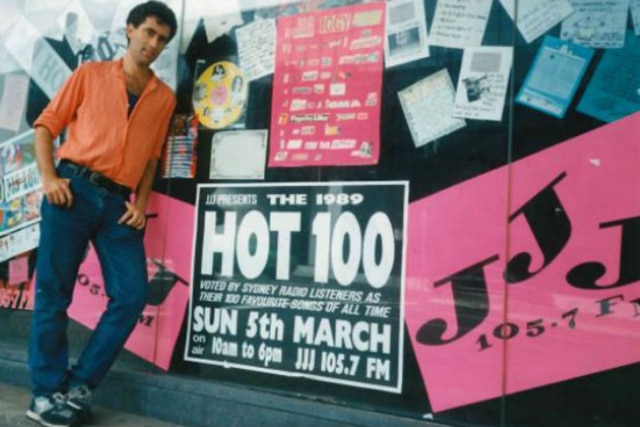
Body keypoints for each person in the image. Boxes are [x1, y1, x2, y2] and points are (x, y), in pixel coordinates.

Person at [26, 2, 177, 427]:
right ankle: (44, 395)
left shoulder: (163, 97)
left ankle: (78, 386)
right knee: (54, 295)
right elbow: (46, 124)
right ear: (130, 30)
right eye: (148, 32)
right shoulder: (89, 75)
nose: (153, 43)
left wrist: (141, 203)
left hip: (117, 205)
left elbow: (151, 158)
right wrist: (49, 177)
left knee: (130, 296)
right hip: (71, 192)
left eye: (162, 39)